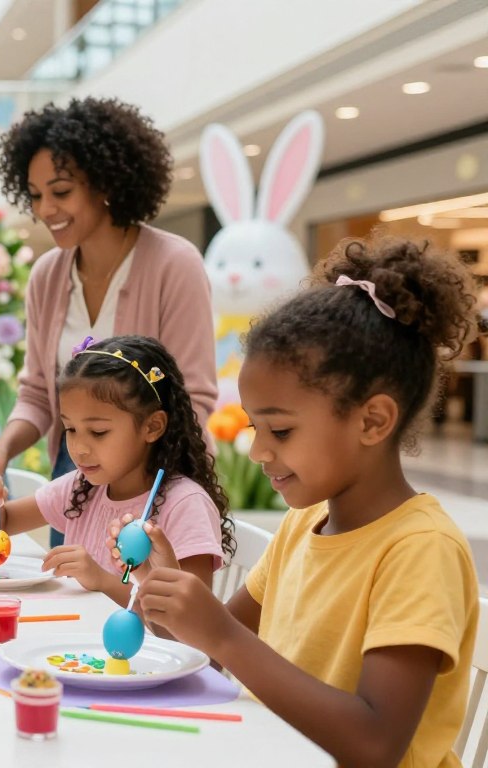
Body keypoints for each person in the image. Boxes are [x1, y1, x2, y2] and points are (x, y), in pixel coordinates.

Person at [133, 237, 482, 766]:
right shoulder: (303, 525)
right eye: (254, 427)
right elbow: (210, 652)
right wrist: (168, 597)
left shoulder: (420, 550)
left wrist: (222, 636)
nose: (257, 451)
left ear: (373, 421)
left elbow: (375, 745)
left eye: (280, 430)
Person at [0, 97, 217, 547]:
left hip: (155, 483)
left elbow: (191, 398)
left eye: (61, 192)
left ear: (106, 182)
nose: (45, 209)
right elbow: (37, 393)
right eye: (35, 195)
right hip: (78, 473)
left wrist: (137, 484)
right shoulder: (47, 275)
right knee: (71, 584)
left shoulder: (174, 264)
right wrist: (3, 448)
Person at [0, 335, 230, 606]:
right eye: (70, 429)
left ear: (152, 427)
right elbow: (0, 524)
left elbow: (193, 615)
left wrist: (103, 581)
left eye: (98, 432)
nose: (79, 448)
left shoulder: (185, 505)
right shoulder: (82, 488)